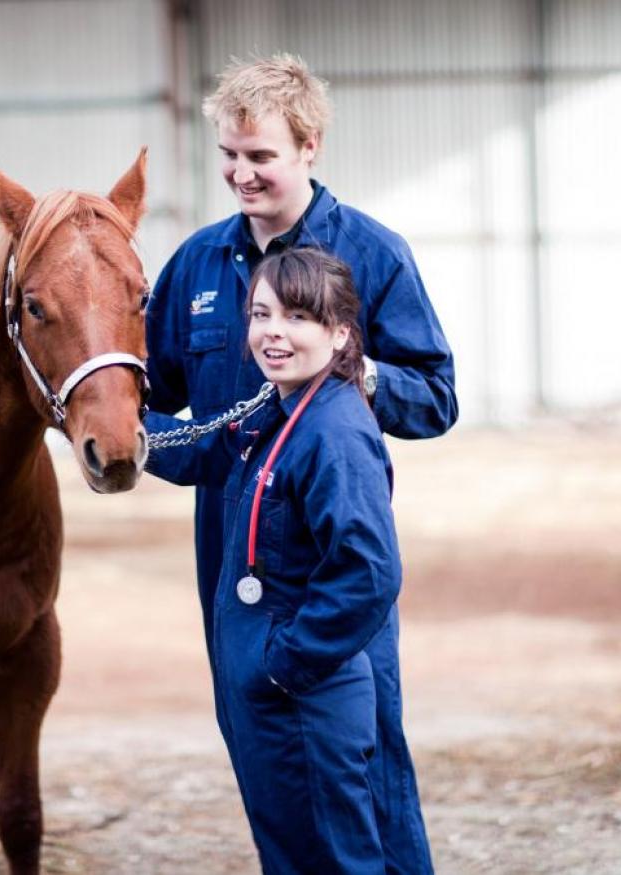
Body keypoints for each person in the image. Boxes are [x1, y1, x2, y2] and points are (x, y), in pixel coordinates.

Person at [146, 55, 453, 873]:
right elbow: (161, 396)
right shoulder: (196, 267)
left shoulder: (370, 254)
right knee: (266, 763)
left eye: (261, 156)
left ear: (308, 146)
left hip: (324, 566)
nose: (241, 174)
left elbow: (436, 396)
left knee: (364, 771)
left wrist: (349, 376)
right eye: (230, 155)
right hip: (230, 561)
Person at [146, 247, 422, 873]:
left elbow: (368, 573)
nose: (274, 332)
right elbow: (201, 453)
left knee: (334, 859)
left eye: (298, 317)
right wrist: (115, 419)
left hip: (304, 698)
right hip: (275, 692)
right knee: (293, 856)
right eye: (261, 313)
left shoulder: (334, 431)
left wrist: (283, 665)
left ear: (341, 333)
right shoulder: (279, 408)